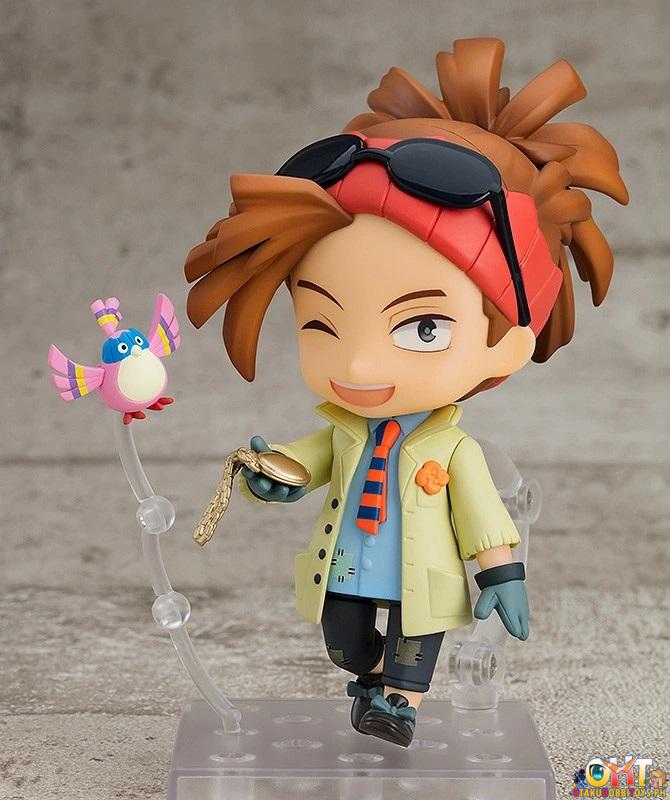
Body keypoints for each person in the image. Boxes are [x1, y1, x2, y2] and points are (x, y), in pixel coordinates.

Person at [184, 37, 627, 747]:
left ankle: (398, 703)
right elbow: (310, 458)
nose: (360, 361)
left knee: (413, 651)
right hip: (347, 567)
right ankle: (365, 678)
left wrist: (503, 574)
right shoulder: (344, 431)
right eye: (322, 323)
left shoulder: (455, 451)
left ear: (511, 339)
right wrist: (275, 476)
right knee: (343, 643)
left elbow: (482, 516)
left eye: (423, 327)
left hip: (426, 577)